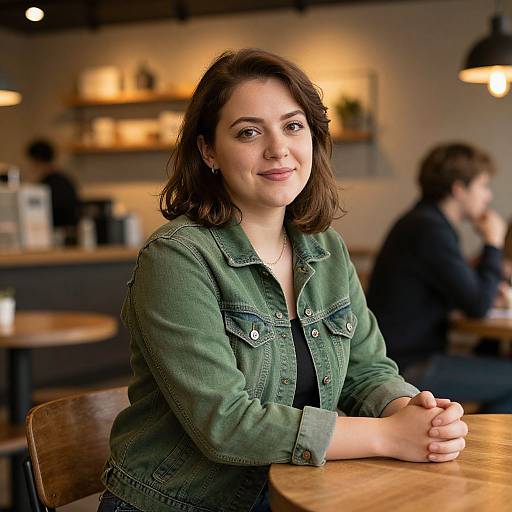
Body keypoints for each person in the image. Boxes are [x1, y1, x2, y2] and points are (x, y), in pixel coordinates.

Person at [98, 50, 467, 512]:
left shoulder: (326, 248)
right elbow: (225, 423)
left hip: (294, 492)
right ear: (208, 150)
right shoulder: (177, 258)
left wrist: (415, 414)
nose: (278, 149)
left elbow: (367, 370)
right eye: (248, 132)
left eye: (292, 126)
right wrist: (387, 435)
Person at [367, 142, 512, 413]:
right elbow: (477, 304)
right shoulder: (429, 230)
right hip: (405, 367)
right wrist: (493, 242)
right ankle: (481, 447)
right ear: (459, 189)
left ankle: (472, 440)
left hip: (403, 357)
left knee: (492, 357)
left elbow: (466, 290)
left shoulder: (422, 222)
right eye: (482, 185)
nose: (488, 196)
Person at [26, 138, 80, 231]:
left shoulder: (43, 187)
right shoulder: (66, 180)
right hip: (72, 234)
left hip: (54, 236)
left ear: (36, 160)